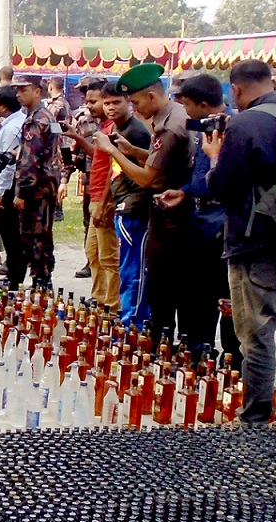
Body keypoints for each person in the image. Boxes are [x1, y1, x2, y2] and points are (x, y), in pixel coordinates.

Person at [202, 59, 276, 426]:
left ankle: (255, 417)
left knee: (255, 335)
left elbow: (221, 186)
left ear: (236, 90)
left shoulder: (247, 123)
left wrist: (213, 159)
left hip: (255, 245)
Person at [154, 74, 240, 363]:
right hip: (198, 220)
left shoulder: (234, 129)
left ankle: (233, 361)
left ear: (203, 104)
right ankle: (199, 351)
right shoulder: (204, 127)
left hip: (223, 226)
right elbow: (199, 174)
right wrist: (184, 192)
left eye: (187, 104)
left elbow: (224, 180)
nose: (184, 110)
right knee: (196, 295)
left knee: (226, 299)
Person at [113, 63, 193, 346]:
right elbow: (160, 159)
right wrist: (134, 151)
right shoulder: (171, 116)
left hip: (172, 217)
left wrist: (112, 151)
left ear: (151, 96)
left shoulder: (169, 125)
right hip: (173, 213)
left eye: (135, 102)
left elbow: (148, 177)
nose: (133, 109)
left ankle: (153, 337)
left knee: (157, 284)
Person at [95, 82, 154, 327]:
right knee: (126, 266)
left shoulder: (136, 132)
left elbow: (147, 170)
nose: (110, 107)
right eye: (106, 103)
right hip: (122, 205)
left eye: (116, 102)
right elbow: (115, 170)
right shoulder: (116, 130)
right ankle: (131, 317)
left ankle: (134, 322)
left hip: (136, 207)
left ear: (128, 102)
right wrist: (104, 201)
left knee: (133, 270)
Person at [67, 78, 119, 309]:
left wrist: (104, 202)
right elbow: (98, 157)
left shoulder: (115, 128)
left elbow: (114, 169)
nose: (89, 106)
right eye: (87, 101)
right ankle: (99, 296)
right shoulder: (102, 128)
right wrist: (78, 138)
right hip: (94, 195)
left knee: (108, 256)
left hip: (104, 198)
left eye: (94, 101)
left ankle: (113, 303)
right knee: (93, 252)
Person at [13, 76, 62, 289]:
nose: (18, 94)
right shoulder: (45, 116)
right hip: (45, 184)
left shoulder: (37, 120)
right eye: (17, 90)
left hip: (36, 188)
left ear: (37, 91)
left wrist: (21, 193)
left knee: (34, 234)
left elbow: (30, 162)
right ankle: (42, 277)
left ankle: (40, 279)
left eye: (23, 90)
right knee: (42, 233)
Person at [0, 85, 27, 289]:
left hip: (8, 185)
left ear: (2, 105)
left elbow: (9, 165)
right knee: (11, 233)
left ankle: (14, 278)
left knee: (11, 234)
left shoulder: (13, 127)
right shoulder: (14, 122)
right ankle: (13, 274)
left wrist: (0, 193)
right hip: (7, 182)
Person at [45, 76, 72, 223]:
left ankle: (58, 209)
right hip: (59, 143)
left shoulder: (58, 105)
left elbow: (55, 125)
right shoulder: (60, 103)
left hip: (60, 144)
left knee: (57, 176)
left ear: (50, 87)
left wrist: (50, 130)